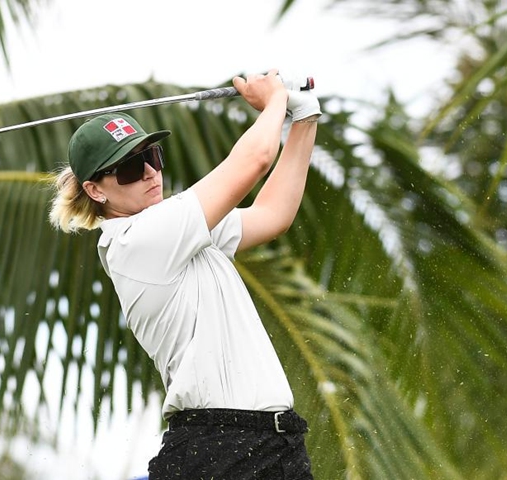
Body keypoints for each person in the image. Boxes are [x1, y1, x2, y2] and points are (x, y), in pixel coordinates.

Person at [49, 69, 320, 479]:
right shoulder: (137, 240)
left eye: (151, 157)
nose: (149, 173)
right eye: (128, 168)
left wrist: (304, 120)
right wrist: (275, 100)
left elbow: (273, 215)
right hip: (217, 448)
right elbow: (255, 160)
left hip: (278, 446)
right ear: (95, 190)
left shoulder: (178, 228)